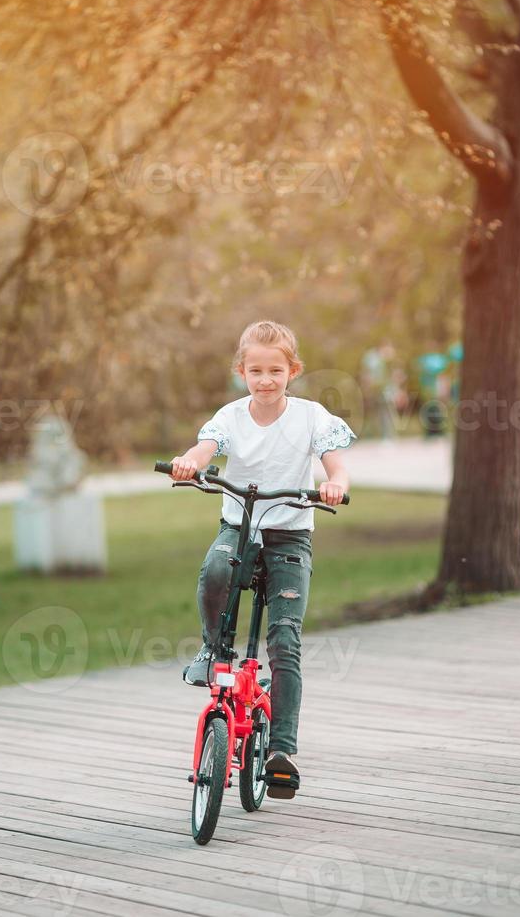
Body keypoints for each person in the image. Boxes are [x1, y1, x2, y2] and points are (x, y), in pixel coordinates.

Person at [170, 320, 356, 790]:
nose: (266, 380)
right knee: (216, 566)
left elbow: (335, 464)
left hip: (290, 536)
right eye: (256, 370)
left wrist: (334, 485)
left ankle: (282, 751)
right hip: (240, 526)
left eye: (276, 370)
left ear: (292, 371)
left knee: (285, 638)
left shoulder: (312, 416)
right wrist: (192, 461)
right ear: (242, 372)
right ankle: (214, 648)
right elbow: (207, 445)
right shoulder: (231, 416)